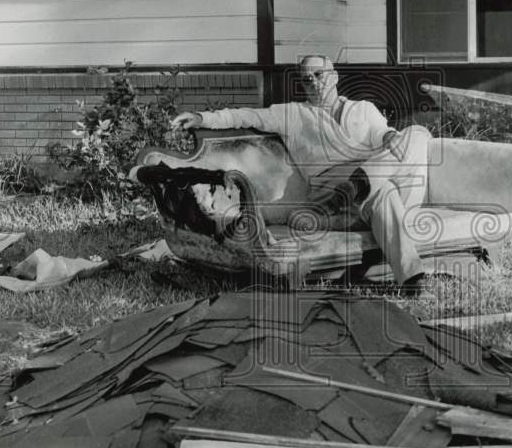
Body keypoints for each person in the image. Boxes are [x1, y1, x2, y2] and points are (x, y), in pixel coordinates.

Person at [171, 54, 431, 285]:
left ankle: (360, 183)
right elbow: (247, 115)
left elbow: (382, 133)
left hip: (374, 183)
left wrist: (389, 138)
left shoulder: (364, 109)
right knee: (384, 194)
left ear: (335, 76)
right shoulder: (293, 114)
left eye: (319, 75)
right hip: (331, 191)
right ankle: (411, 279)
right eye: (307, 79)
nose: (314, 83)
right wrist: (203, 118)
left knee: (418, 133)